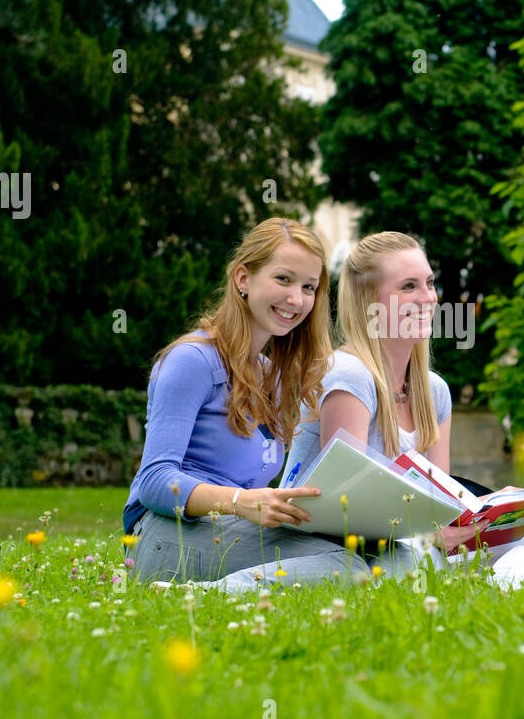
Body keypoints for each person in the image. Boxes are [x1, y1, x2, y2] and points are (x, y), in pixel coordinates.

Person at [284, 231, 524, 576]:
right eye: (408, 287)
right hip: (334, 538)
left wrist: (494, 510)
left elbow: (441, 499)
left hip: (401, 535)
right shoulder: (349, 375)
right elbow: (346, 505)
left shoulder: (433, 390)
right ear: (369, 303)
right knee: (415, 561)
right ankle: (483, 574)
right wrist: (432, 534)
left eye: (429, 283)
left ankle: (482, 571)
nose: (428, 298)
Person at [123, 217, 370, 589]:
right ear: (243, 278)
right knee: (348, 568)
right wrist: (241, 501)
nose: (296, 299)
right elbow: (155, 481)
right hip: (165, 532)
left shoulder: (273, 376)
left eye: (309, 287)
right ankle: (204, 595)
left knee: (375, 554)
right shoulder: (192, 360)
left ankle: (219, 589)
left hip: (231, 527)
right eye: (283, 279)